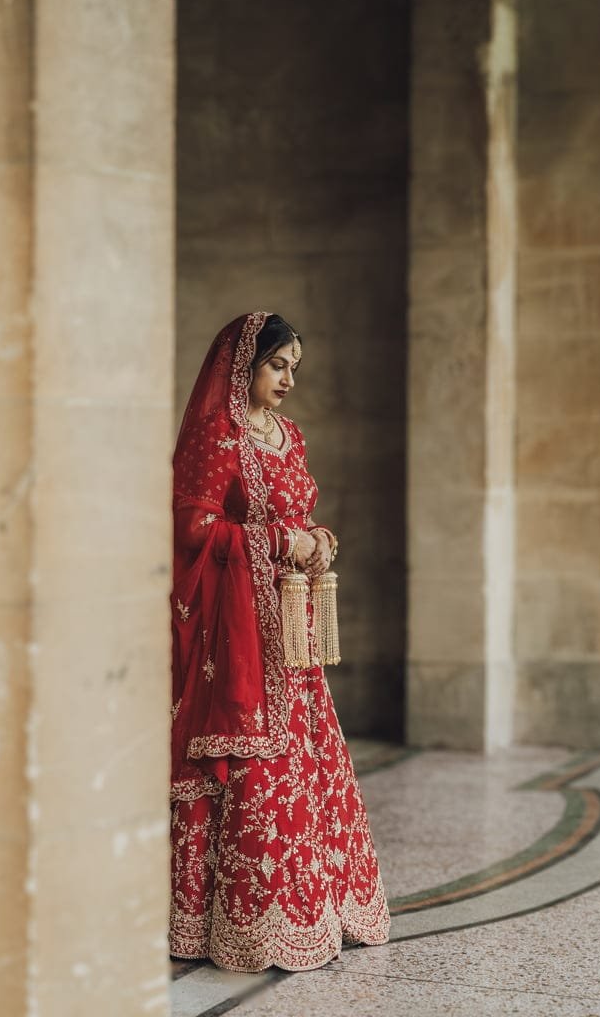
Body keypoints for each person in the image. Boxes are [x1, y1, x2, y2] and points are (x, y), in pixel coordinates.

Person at [169, 310, 390, 972]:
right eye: (277, 364)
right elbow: (192, 531)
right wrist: (275, 543)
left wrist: (316, 540)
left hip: (291, 639)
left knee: (306, 754)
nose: (288, 378)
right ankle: (241, 922)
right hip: (235, 640)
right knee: (254, 762)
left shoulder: (289, 437)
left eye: (294, 367)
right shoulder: (216, 437)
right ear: (243, 366)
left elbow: (294, 514)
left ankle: (312, 911)